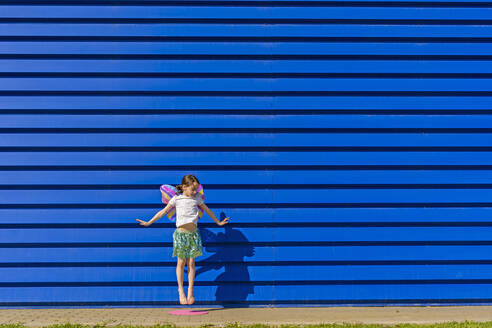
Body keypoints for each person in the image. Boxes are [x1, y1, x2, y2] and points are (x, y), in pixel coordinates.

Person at [136, 174, 230, 305]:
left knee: (191, 263)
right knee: (181, 263)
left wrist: (218, 223)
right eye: (192, 189)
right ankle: (181, 290)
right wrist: (149, 222)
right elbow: (162, 212)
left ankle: (190, 291)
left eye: (196, 189)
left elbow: (208, 211)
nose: (194, 192)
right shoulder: (177, 199)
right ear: (184, 187)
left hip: (194, 235)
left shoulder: (197, 198)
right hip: (180, 235)